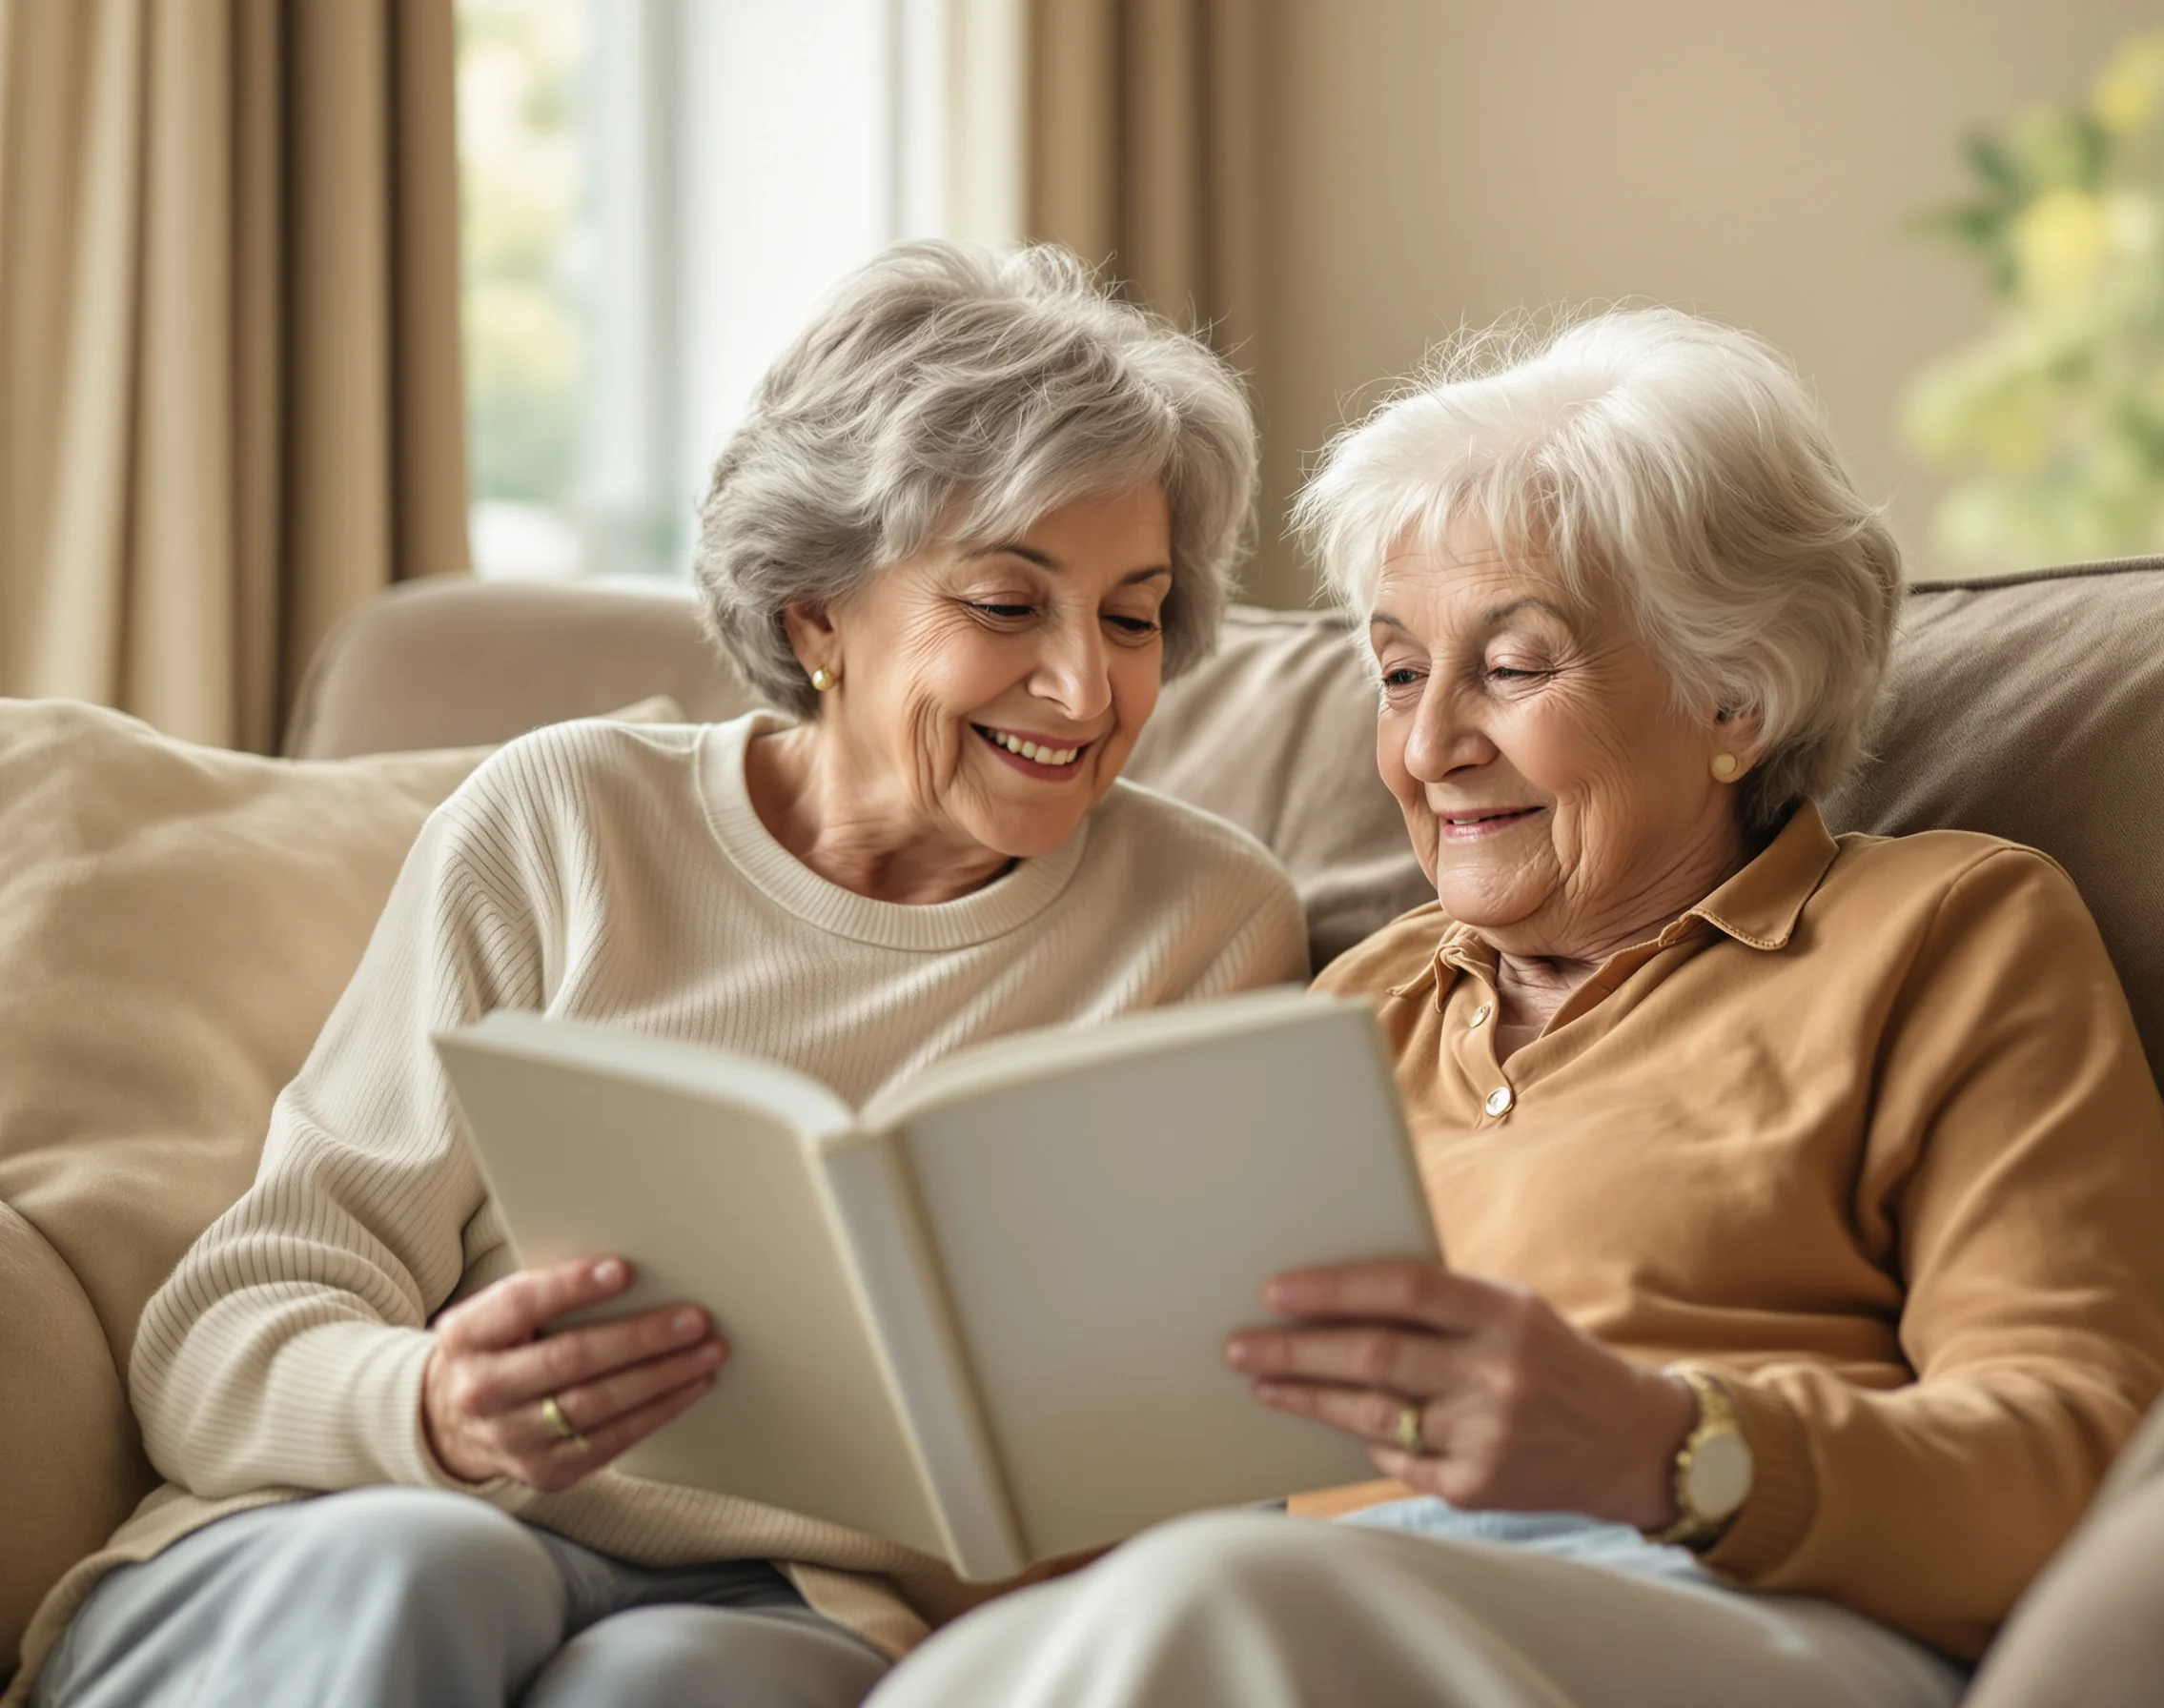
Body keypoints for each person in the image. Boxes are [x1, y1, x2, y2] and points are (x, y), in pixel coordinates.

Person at [26, 241, 1307, 1708]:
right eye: (1007, 606)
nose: (1087, 689)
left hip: (791, 1604)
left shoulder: (1205, 925)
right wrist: (434, 1406)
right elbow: (222, 1334)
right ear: (816, 613)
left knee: (684, 1683)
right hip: (372, 1528)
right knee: (432, 1576)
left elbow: (1171, 1465)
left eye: (1132, 615)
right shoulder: (564, 820)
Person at [861, 309, 2164, 1708]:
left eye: (1511, 666)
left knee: (1224, 1601)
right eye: (1395, 673)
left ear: (1733, 693)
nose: (1429, 748)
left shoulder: (1945, 933)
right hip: (1336, 1618)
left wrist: (1665, 1444)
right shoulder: (1348, 1010)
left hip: (1752, 1611)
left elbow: (2081, 1448)